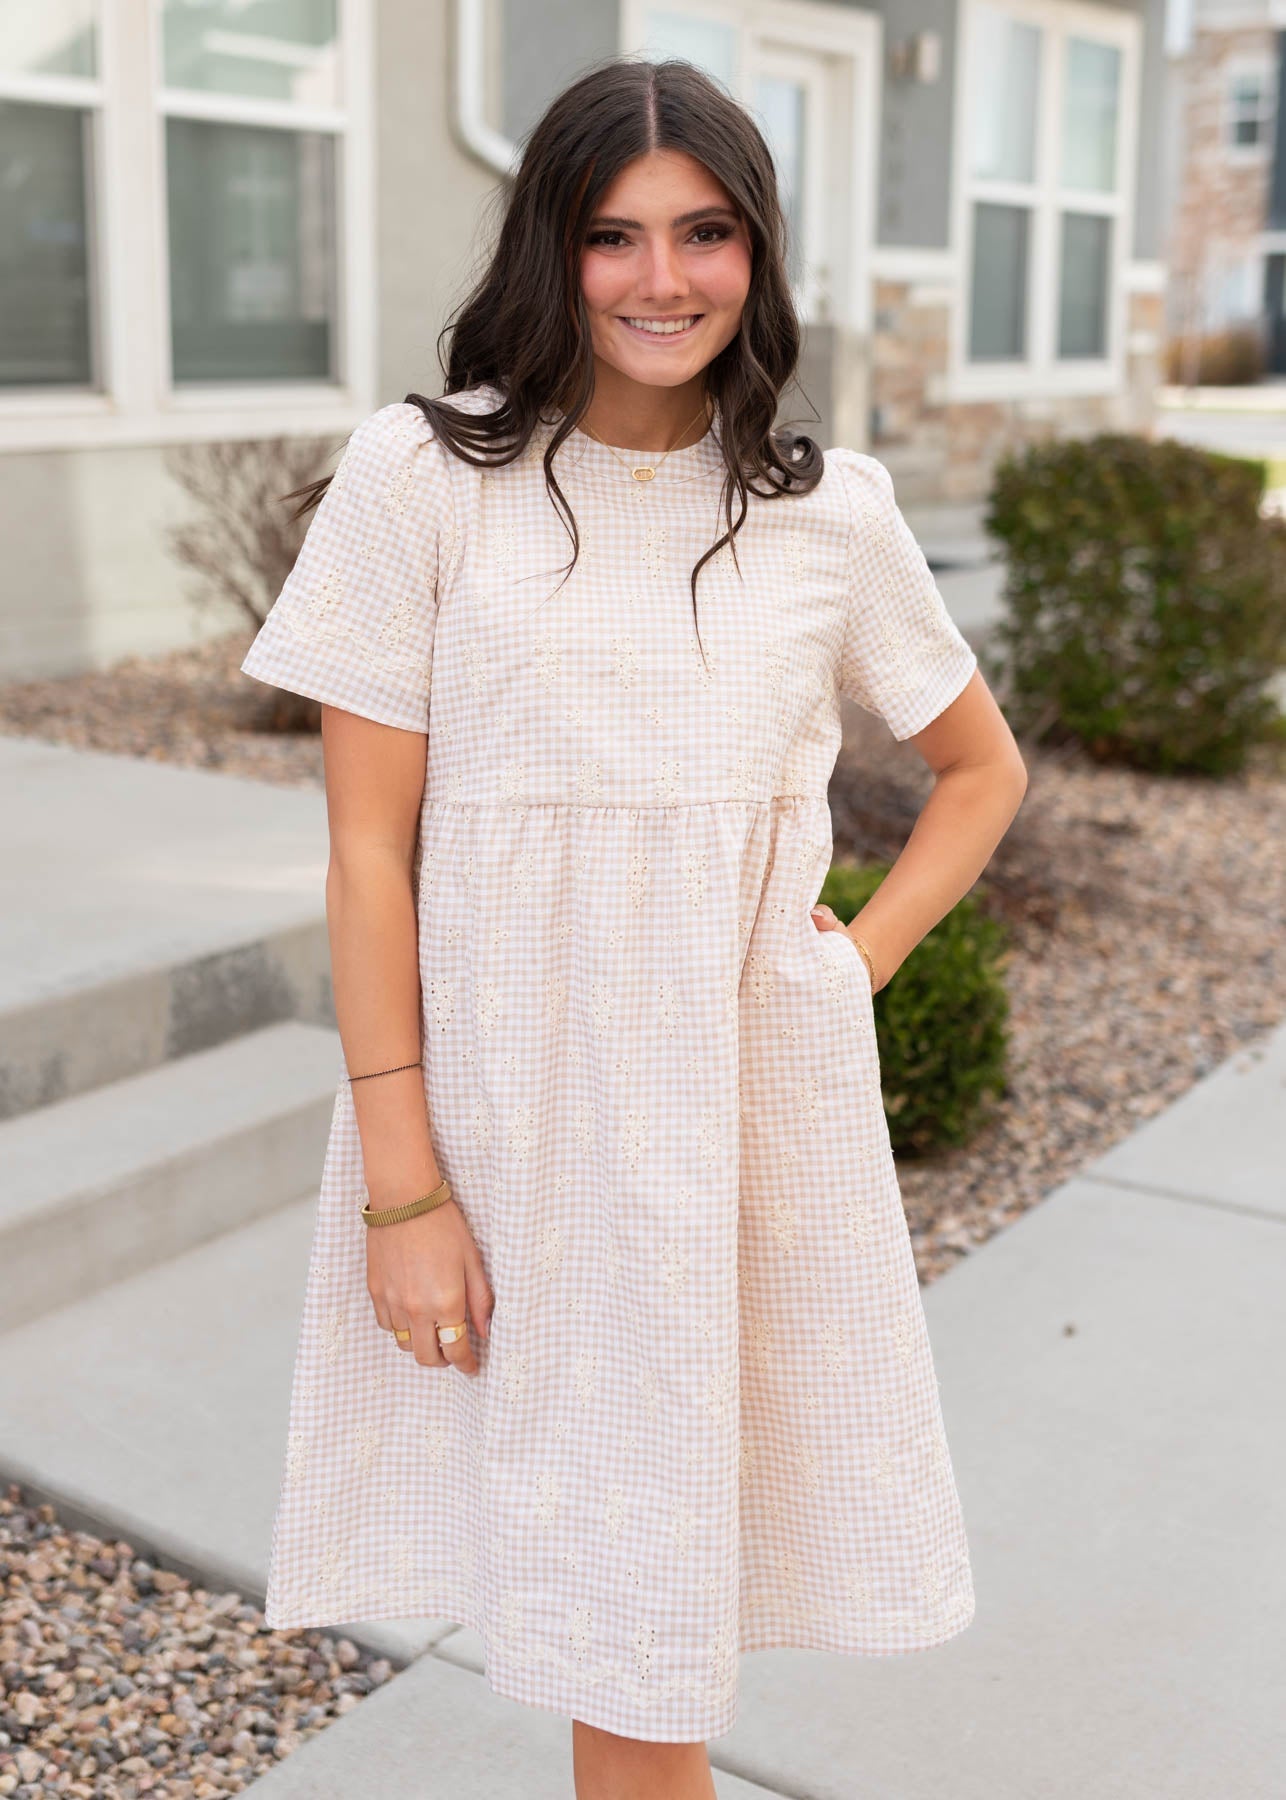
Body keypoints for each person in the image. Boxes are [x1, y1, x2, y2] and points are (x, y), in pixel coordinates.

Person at [239, 53, 1027, 1800]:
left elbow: (977, 772)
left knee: (661, 1598)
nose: (660, 279)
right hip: (515, 1119)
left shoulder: (829, 513)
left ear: (758, 255)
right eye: (612, 236)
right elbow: (369, 858)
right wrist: (405, 1186)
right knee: (604, 1587)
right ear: (550, 249)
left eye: (704, 233)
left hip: (740, 1120)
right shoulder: (423, 479)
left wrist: (856, 960)